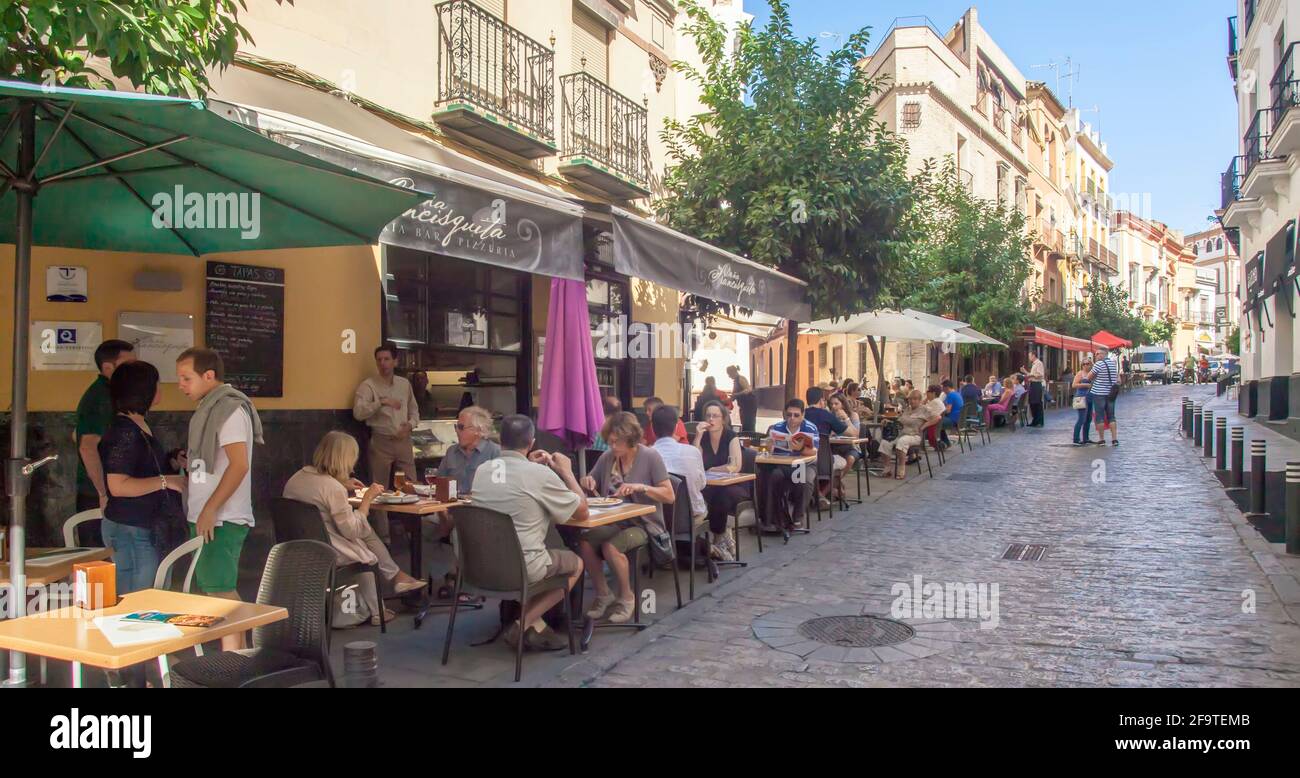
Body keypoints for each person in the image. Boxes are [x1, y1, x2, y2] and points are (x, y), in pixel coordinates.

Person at [283, 432, 427, 626]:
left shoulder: (297, 478)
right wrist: (366, 500)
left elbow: (320, 490)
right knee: (364, 549)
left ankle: (396, 577)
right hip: (329, 548)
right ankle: (380, 609)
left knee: (365, 533)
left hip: (299, 545)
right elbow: (351, 530)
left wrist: (341, 484)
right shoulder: (333, 488)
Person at [472, 415, 588, 651]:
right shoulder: (540, 475)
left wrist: (527, 463)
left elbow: (512, 485)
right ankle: (522, 623)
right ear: (531, 442)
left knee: (541, 553)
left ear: (500, 441)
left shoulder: (482, 469)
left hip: (479, 567)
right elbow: (582, 511)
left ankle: (536, 625)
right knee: (576, 563)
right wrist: (567, 473)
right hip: (521, 568)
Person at [177, 347, 262, 651]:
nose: (181, 385)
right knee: (215, 592)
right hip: (208, 513)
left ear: (209, 376)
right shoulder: (208, 409)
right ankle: (235, 660)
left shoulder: (228, 410)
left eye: (187, 378)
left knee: (222, 593)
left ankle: (236, 661)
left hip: (222, 517)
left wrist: (210, 509)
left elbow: (239, 464)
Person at [578, 413, 674, 623]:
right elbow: (590, 480)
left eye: (616, 442)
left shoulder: (650, 457)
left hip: (644, 524)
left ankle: (627, 597)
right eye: (609, 441)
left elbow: (669, 495)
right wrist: (587, 481)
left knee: (610, 547)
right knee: (585, 542)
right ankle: (604, 594)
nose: (612, 446)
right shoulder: (608, 458)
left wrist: (643, 487)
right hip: (613, 520)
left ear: (630, 439)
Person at [99, 360, 183, 594]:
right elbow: (118, 485)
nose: (162, 388)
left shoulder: (139, 423)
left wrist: (174, 461)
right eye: (157, 383)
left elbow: (144, 467)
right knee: (139, 599)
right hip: (131, 528)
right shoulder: (124, 431)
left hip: (145, 525)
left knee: (153, 593)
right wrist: (167, 481)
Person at [352, 344, 418, 541]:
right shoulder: (369, 385)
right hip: (381, 441)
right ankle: (384, 535)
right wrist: (380, 402)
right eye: (379, 360)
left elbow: (414, 410)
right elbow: (358, 412)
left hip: (404, 440)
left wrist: (411, 424)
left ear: (395, 361)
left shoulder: (404, 384)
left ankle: (412, 531)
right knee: (378, 488)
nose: (383, 363)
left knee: (410, 484)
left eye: (387, 359)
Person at [76, 340, 137, 536]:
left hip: (114, 488)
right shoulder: (100, 398)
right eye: (128, 365)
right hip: (98, 492)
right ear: (108, 368)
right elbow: (87, 447)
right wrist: (102, 492)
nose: (134, 370)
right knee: (99, 560)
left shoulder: (114, 394)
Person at [648, 404, 708, 558]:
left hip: (657, 519)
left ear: (652, 428)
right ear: (676, 427)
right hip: (690, 516)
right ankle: (707, 549)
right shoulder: (692, 452)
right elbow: (702, 484)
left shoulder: (646, 455)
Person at [694, 400, 745, 561]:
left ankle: (719, 537)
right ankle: (721, 537)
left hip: (733, 485)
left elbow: (735, 465)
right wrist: (698, 436)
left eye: (715, 416)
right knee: (706, 495)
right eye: (708, 416)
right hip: (709, 485)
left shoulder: (731, 436)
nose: (711, 419)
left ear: (723, 419)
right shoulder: (702, 438)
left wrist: (713, 470)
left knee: (722, 495)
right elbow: (694, 460)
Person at [762, 399, 819, 530]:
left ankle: (798, 516)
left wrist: (800, 449)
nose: (792, 418)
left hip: (805, 464)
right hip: (782, 465)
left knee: (805, 480)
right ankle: (776, 517)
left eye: (796, 415)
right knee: (771, 477)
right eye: (789, 415)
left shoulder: (810, 428)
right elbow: (770, 451)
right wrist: (769, 446)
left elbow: (814, 451)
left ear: (803, 415)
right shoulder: (777, 428)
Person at [436, 406, 501, 493]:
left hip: (481, 505)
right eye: (456, 426)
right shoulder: (451, 452)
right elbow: (439, 483)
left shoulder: (496, 453)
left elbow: (499, 490)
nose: (457, 431)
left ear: (478, 430)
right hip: (453, 503)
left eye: (461, 427)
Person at [877, 390, 939, 479]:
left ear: (920, 400)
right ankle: (887, 469)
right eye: (910, 399)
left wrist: (924, 425)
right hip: (901, 434)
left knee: (902, 441)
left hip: (915, 436)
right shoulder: (907, 410)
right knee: (885, 442)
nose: (912, 401)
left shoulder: (925, 409)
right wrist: (887, 421)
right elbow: (899, 421)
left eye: (915, 399)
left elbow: (937, 417)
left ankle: (901, 470)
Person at [1089, 347, 1121, 446]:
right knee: (1111, 416)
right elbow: (1116, 377)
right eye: (1096, 354)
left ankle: (1101, 439)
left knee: (1100, 416)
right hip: (1110, 393)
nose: (1096, 355)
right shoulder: (1112, 364)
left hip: (1099, 393)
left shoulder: (1098, 364)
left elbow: (1089, 377)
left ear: (1104, 354)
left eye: (1098, 354)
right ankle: (1114, 439)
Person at [1071, 358, 1095, 446]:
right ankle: (1076, 439)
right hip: (1081, 397)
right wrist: (1085, 384)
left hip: (1090, 397)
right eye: (1084, 364)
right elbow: (1074, 385)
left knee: (1088, 419)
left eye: (1087, 363)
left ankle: (1086, 438)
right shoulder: (1080, 373)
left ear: (1091, 364)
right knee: (1081, 418)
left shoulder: (1092, 374)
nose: (1085, 365)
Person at [728, 365, 758, 433]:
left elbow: (748, 390)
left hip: (749, 405)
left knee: (749, 423)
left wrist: (736, 394)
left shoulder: (741, 378)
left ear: (733, 372)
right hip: (743, 406)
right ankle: (746, 435)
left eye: (729, 374)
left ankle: (750, 437)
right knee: (744, 423)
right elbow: (734, 396)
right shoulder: (735, 381)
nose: (729, 376)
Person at [940, 379, 964, 445]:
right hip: (959, 419)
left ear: (947, 387)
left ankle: (944, 442)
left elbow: (948, 411)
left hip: (953, 420)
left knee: (938, 422)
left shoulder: (950, 395)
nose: (942, 390)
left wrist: (939, 412)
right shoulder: (957, 394)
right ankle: (945, 442)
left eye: (942, 388)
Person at [1026, 350, 1046, 427]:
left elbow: (1040, 375)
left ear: (1034, 355)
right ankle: (1035, 420)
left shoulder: (1039, 363)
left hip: (1036, 384)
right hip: (1032, 384)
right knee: (1032, 403)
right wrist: (1025, 372)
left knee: (1037, 403)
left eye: (1030, 356)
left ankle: (1039, 421)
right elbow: (1032, 374)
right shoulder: (1034, 364)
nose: (1029, 358)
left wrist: (1031, 376)